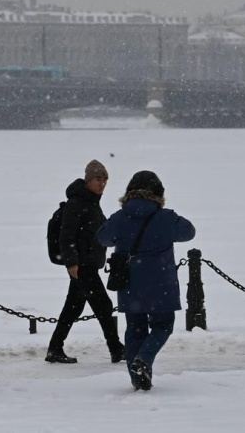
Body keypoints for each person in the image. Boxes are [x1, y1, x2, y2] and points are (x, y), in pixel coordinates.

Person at [97, 170, 195, 391]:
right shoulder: (166, 217)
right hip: (161, 282)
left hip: (130, 283)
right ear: (158, 192)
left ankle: (136, 375)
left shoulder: (120, 216)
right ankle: (145, 358)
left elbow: (103, 237)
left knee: (135, 329)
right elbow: (189, 232)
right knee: (163, 325)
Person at [46, 159, 124, 364]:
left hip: (87, 263)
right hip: (82, 265)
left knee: (73, 306)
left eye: (105, 180)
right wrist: (72, 263)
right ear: (88, 180)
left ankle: (55, 348)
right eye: (98, 179)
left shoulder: (92, 203)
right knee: (103, 305)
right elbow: (67, 235)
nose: (102, 184)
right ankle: (116, 348)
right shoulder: (76, 203)